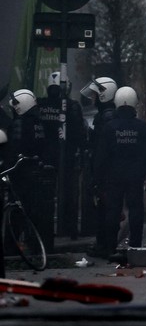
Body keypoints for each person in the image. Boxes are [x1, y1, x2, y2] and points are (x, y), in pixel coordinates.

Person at [93, 87, 146, 255]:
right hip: (135, 176)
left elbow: (101, 156)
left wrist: (97, 180)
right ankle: (135, 245)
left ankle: (110, 247)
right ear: (134, 104)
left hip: (113, 176)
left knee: (113, 211)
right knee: (136, 209)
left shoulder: (109, 128)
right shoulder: (141, 127)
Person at [37, 72, 87, 238]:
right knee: (69, 194)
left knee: (44, 196)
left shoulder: (40, 105)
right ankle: (69, 229)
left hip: (44, 157)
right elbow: (80, 132)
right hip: (67, 157)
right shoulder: (71, 106)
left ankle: (44, 231)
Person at [80, 77, 118, 256]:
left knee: (106, 208)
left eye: (96, 95)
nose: (93, 99)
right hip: (104, 169)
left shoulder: (108, 116)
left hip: (107, 171)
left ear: (104, 95)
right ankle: (103, 244)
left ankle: (106, 245)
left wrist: (98, 174)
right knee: (102, 208)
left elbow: (104, 147)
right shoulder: (104, 115)